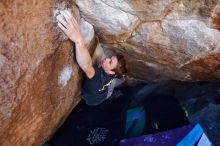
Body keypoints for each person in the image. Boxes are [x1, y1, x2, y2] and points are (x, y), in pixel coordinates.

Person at [56, 10, 127, 106]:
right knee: (114, 82)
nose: (106, 59)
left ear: (111, 72)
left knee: (110, 90)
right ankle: (121, 79)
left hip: (96, 99)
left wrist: (78, 39)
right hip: (108, 84)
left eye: (110, 62)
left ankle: (115, 92)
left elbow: (88, 66)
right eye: (110, 58)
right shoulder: (111, 73)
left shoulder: (96, 77)